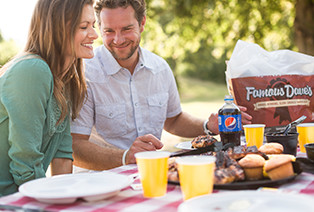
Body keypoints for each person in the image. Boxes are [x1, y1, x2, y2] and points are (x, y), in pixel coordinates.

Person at [71, 0, 252, 172]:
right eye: (109, 31)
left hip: (151, 175)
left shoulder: (159, 68)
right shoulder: (85, 72)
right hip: (100, 182)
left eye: (126, 29)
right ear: (99, 28)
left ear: (142, 23)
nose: (118, 40)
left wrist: (208, 126)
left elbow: (173, 120)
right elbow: (74, 146)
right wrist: (126, 156)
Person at [0, 0, 98, 196]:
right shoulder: (32, 70)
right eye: (84, 27)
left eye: (93, 25)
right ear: (58, 29)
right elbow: (25, 164)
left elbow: (62, 154)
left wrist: (67, 197)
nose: (95, 34)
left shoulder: (65, 80)